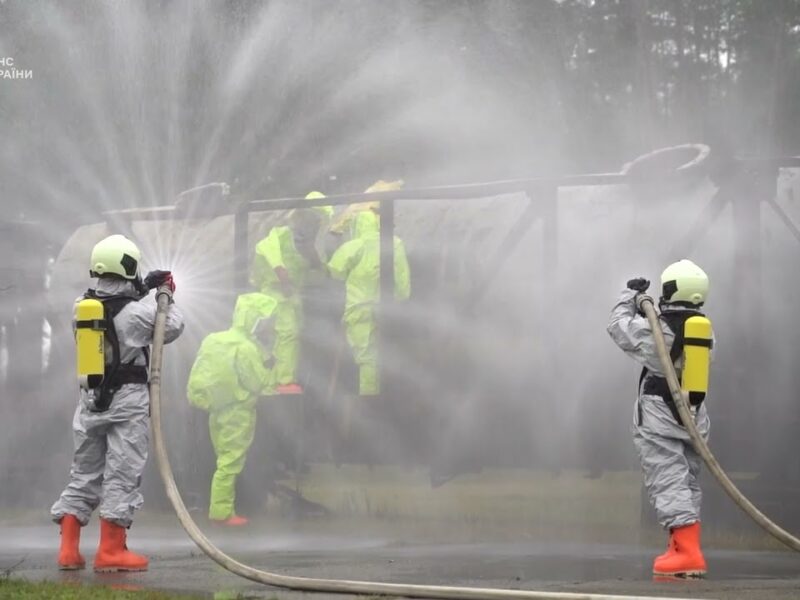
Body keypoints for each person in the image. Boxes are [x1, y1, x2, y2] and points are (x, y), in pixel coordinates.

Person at [51, 234, 184, 572]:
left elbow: (114, 306)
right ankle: (111, 551)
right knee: (122, 474)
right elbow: (171, 326)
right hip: (127, 404)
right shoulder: (140, 313)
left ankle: (68, 551)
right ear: (128, 265)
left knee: (83, 473)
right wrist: (165, 294)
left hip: (90, 403)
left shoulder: (81, 304)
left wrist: (141, 290)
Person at [607, 259, 712, 578]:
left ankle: (687, 553)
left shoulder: (661, 330)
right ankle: (682, 545)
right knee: (687, 479)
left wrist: (630, 297)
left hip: (660, 414)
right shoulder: (702, 329)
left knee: (667, 476)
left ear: (669, 289)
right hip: (693, 416)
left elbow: (619, 328)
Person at [186, 292, 277, 526]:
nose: (270, 326)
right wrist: (269, 368)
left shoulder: (215, 340)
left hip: (216, 408)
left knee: (221, 459)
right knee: (230, 461)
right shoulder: (246, 348)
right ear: (254, 319)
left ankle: (220, 508)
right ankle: (222, 512)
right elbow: (256, 382)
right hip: (238, 411)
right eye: (266, 321)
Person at [250, 192, 332, 394]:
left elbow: (320, 275)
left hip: (290, 299)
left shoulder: (311, 249)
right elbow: (266, 250)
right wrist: (282, 275)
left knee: (287, 338)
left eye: (316, 221)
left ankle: (277, 382)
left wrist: (315, 261)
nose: (311, 225)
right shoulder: (280, 234)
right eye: (309, 218)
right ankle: (281, 382)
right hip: (274, 296)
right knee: (284, 336)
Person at [327, 209, 410, 396]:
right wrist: (399, 301)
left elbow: (334, 270)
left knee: (367, 359)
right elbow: (403, 282)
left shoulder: (355, 245)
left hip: (359, 310)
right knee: (386, 357)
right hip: (388, 310)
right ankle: (388, 396)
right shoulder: (395, 243)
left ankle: (369, 399)